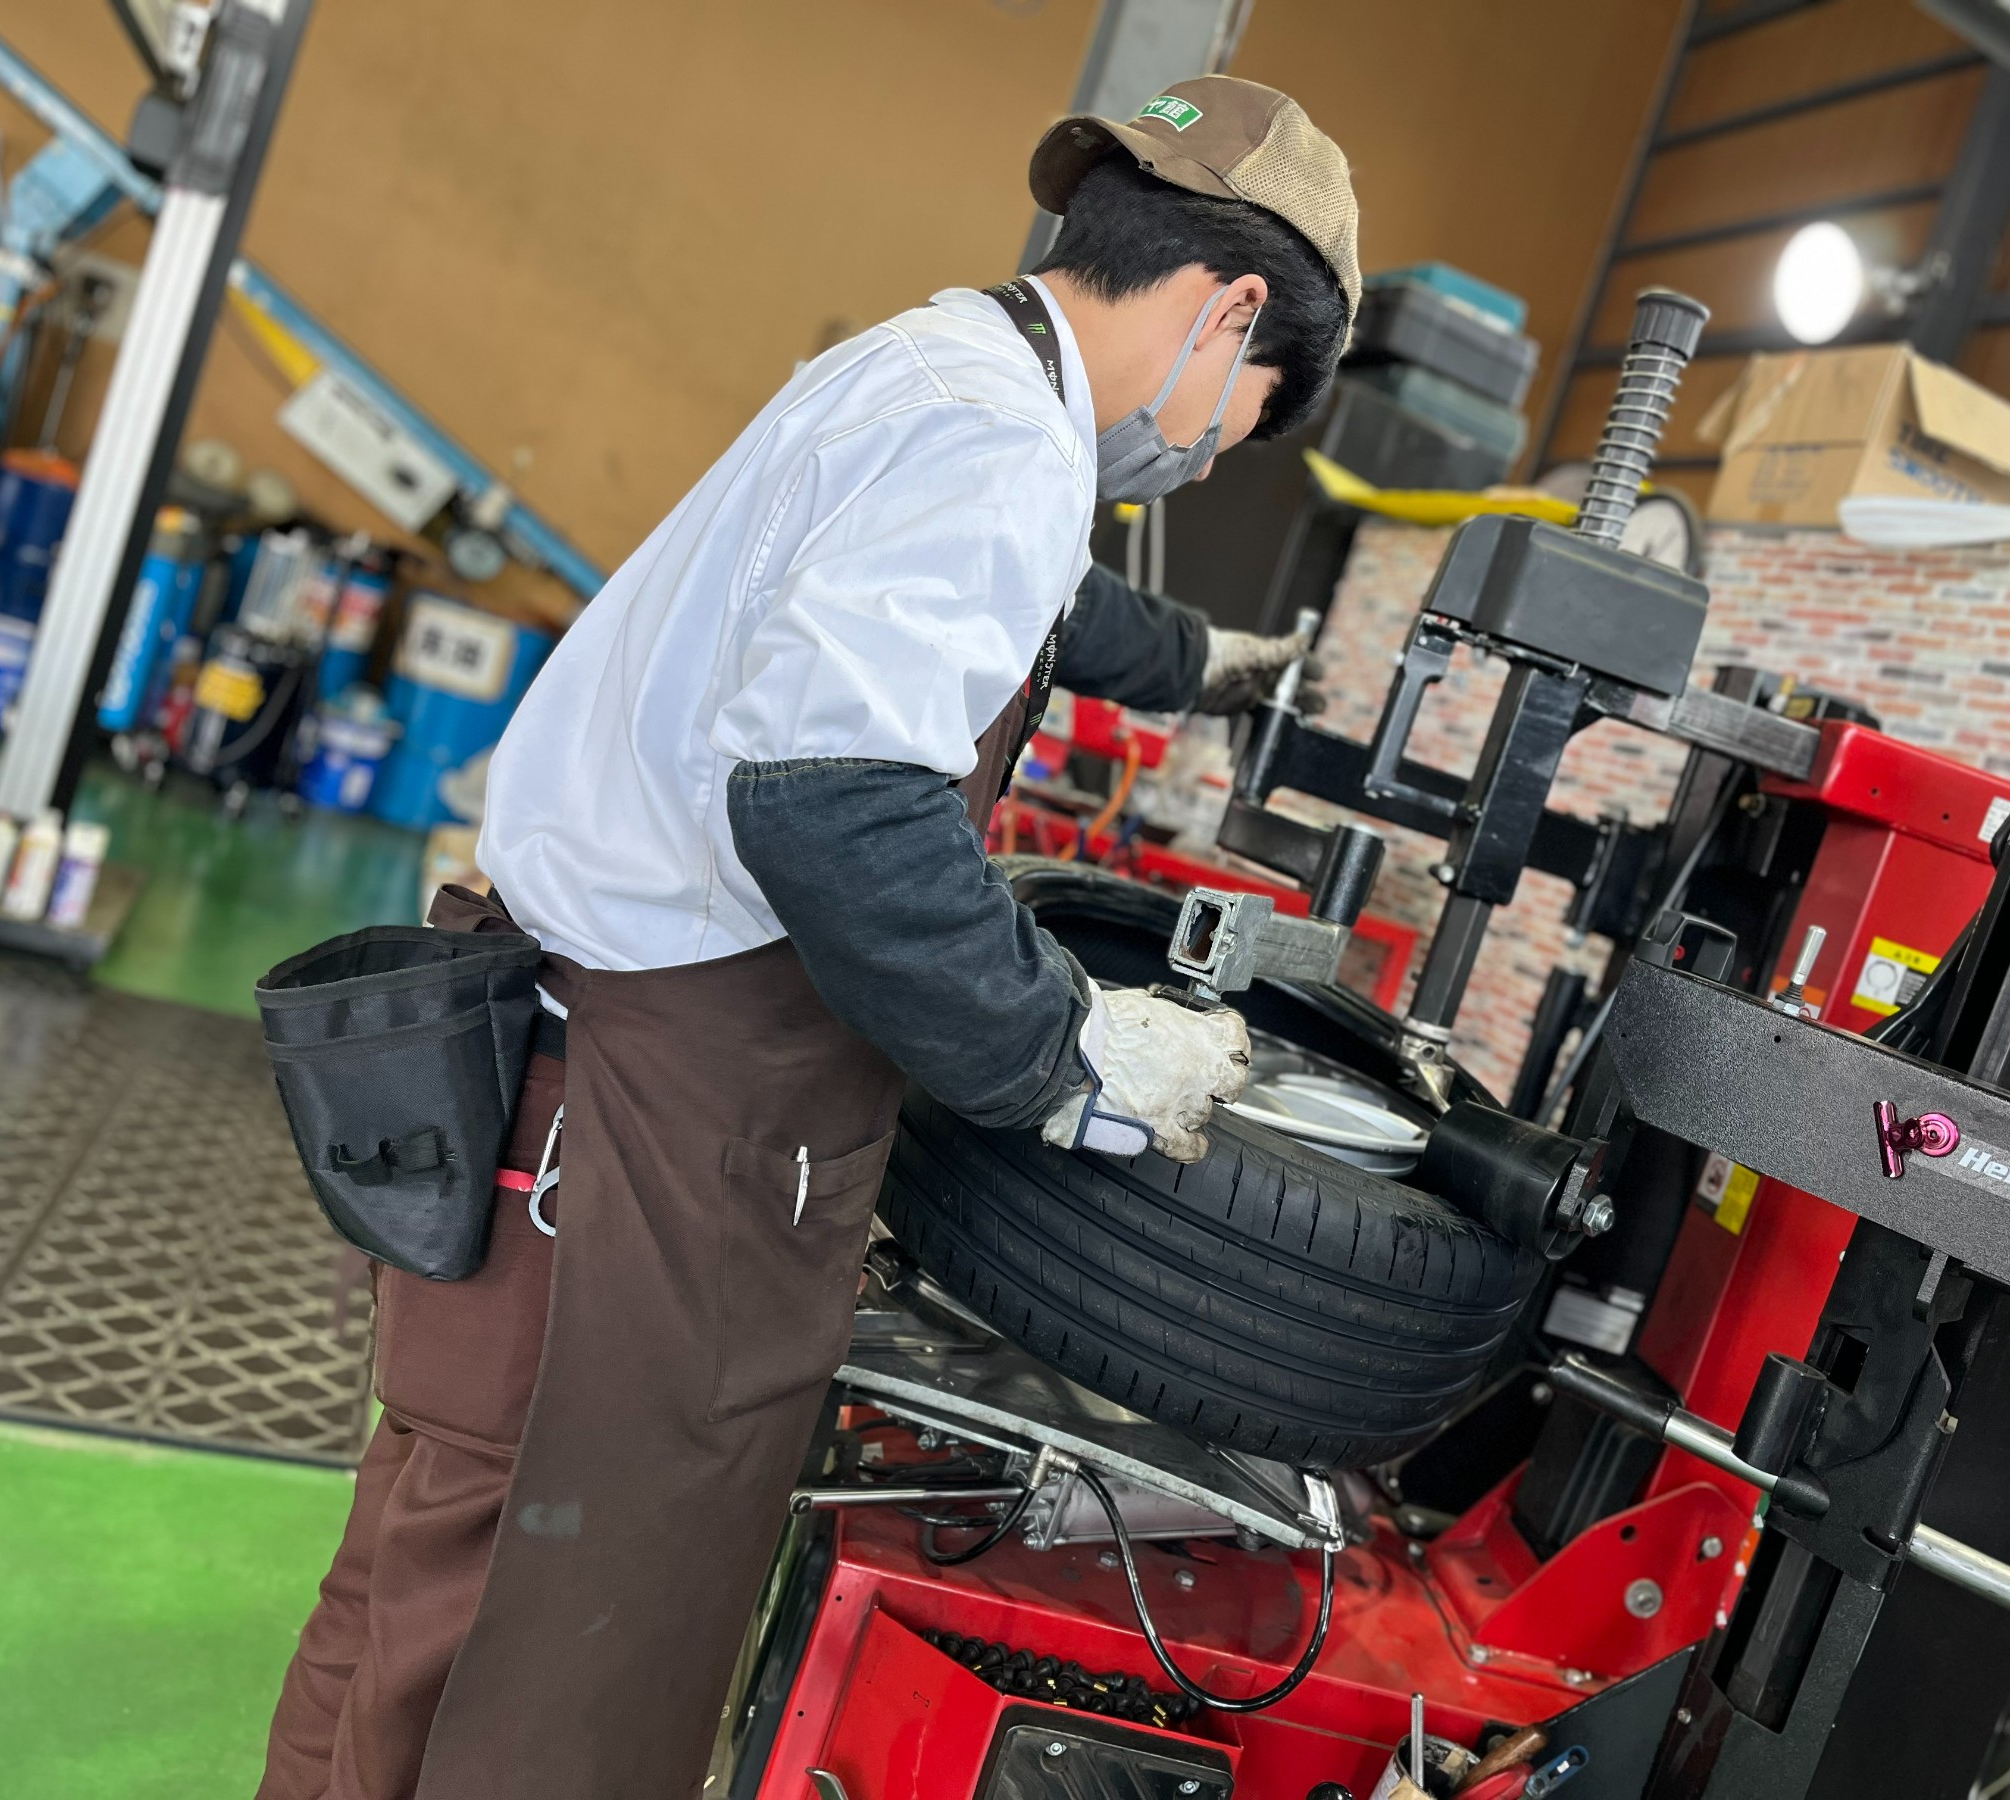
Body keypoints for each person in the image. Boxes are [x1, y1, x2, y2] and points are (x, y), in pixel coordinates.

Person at [257, 74, 1360, 1800]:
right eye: (1249, 414)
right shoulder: (1001, 439)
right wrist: (1059, 1047)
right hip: (643, 1139)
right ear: (1227, 313)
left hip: (561, 1068)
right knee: (527, 1649)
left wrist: (1202, 662)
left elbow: (1025, 598)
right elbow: (834, 798)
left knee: (417, 1587)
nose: (1209, 452)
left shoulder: (932, 366)